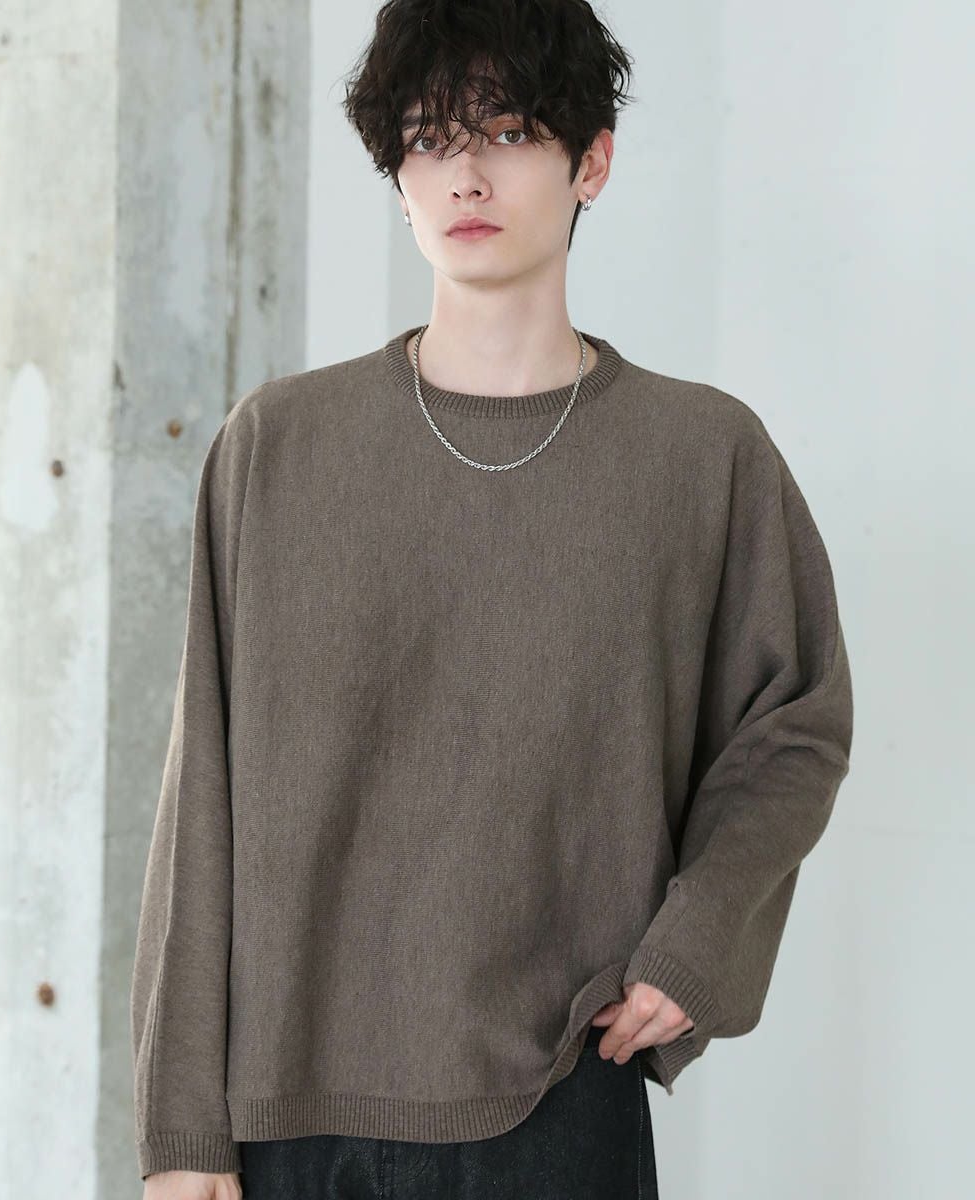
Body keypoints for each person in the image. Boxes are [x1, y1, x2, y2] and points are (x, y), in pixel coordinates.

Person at [130, 2, 854, 1197]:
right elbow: (198, 798)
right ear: (397, 175)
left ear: (592, 161)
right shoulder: (278, 446)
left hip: (557, 1098)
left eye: (509, 132)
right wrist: (179, 1132)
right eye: (427, 139)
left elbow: (794, 725)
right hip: (290, 1118)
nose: (463, 176)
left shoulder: (699, 456)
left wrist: (697, 941)